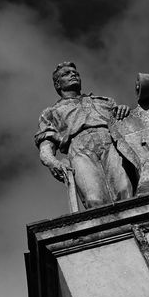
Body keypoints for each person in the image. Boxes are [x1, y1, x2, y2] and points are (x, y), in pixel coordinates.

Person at [35, 62, 134, 209]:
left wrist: (125, 111)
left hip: (111, 143)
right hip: (79, 149)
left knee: (125, 190)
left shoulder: (104, 102)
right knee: (94, 200)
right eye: (66, 74)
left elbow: (129, 126)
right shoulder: (51, 112)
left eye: (75, 73)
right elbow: (46, 143)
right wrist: (51, 161)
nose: (73, 75)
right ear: (57, 84)